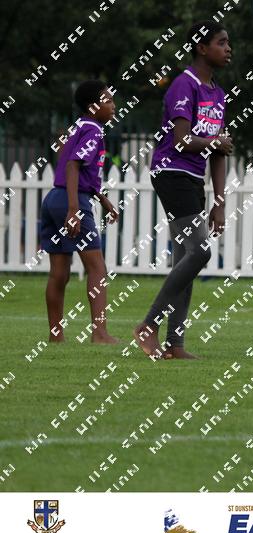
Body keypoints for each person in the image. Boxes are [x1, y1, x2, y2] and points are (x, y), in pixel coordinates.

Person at [134, 21, 233, 359]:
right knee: (200, 251)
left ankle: (175, 345)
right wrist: (216, 142)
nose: (228, 49)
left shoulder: (218, 94)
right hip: (171, 172)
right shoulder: (183, 84)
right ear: (202, 48)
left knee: (186, 259)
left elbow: (218, 153)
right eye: (221, 42)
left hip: (193, 178)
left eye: (228, 43)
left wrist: (220, 203)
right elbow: (182, 140)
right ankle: (148, 324)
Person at [41, 80, 119, 344]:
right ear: (92, 106)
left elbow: (80, 172)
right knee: (97, 267)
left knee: (59, 273)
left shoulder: (79, 127)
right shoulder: (93, 130)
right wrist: (74, 209)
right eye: (108, 101)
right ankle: (100, 333)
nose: (113, 106)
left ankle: (56, 336)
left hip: (54, 199)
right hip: (71, 201)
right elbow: (73, 167)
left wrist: (103, 199)